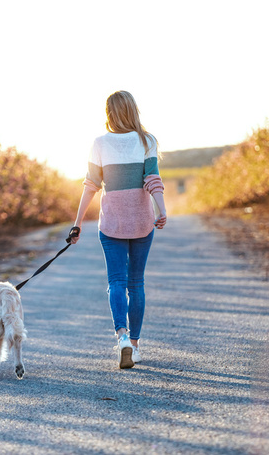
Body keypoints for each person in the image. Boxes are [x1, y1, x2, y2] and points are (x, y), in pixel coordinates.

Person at [69, 90, 167, 369]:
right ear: (133, 110)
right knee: (136, 283)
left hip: (111, 223)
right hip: (141, 221)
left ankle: (121, 337)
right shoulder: (147, 141)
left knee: (116, 282)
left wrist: (77, 224)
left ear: (109, 114)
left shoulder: (99, 143)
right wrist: (161, 209)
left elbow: (90, 185)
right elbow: (152, 179)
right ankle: (134, 346)